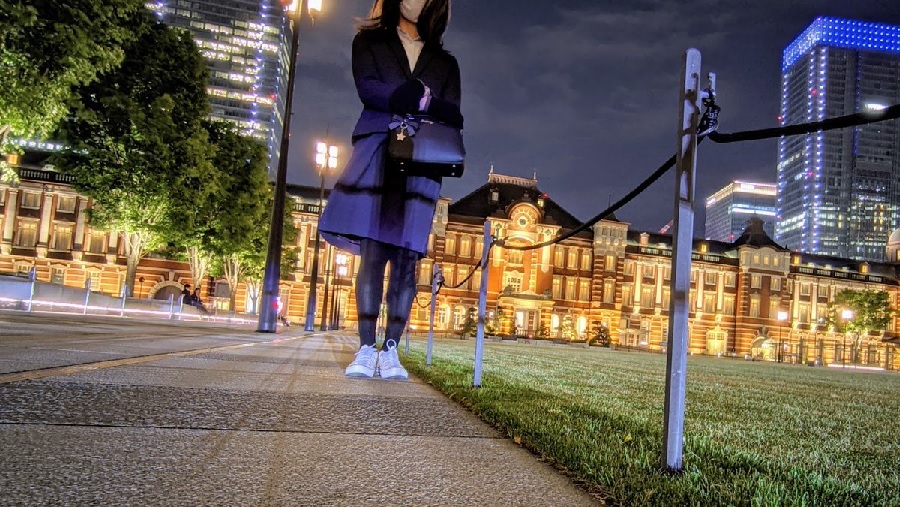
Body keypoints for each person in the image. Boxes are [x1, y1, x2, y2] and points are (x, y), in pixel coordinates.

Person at [318, 0, 462, 380]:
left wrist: (419, 100)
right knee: (373, 252)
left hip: (423, 159)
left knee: (407, 257)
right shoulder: (369, 42)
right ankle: (366, 347)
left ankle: (391, 348)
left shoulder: (446, 63)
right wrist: (420, 99)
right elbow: (368, 89)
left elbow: (454, 113)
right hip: (378, 149)